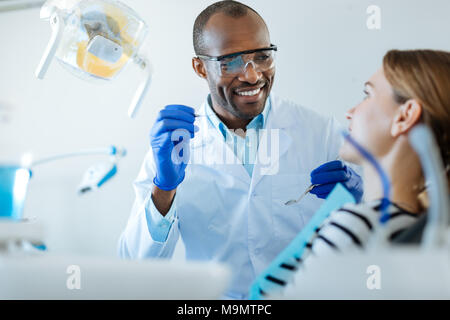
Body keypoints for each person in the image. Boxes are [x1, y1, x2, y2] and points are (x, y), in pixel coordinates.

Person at [118, 0, 362, 299]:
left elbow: (367, 241)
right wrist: (164, 188)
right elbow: (136, 265)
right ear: (199, 67)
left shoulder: (319, 132)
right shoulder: (173, 146)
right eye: (230, 61)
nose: (252, 75)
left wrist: (359, 200)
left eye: (262, 57)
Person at [252, 49, 450, 298]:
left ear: (405, 116)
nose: (350, 111)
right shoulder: (419, 223)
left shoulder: (357, 225)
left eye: (367, 94)